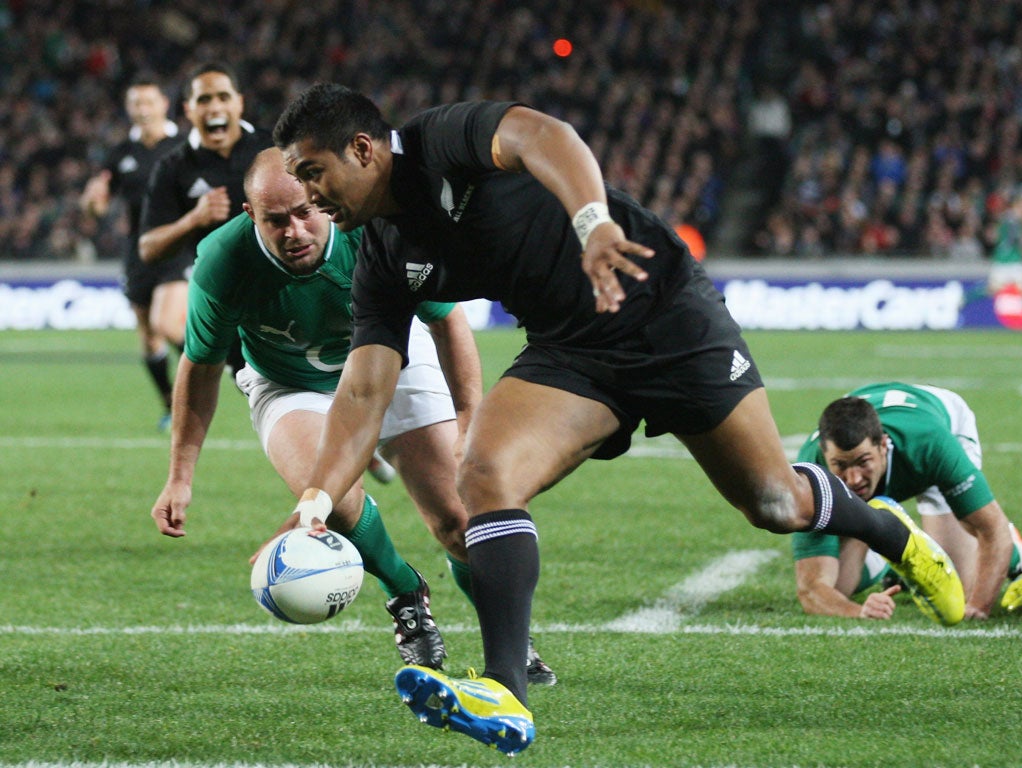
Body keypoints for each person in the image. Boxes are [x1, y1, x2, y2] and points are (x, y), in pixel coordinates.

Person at [268, 84, 964, 755]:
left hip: (662, 308)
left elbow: (546, 136)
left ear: (363, 149)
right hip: (571, 353)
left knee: (773, 501)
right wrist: (317, 501)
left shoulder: (442, 140)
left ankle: (886, 529)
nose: (308, 195)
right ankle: (505, 691)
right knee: (481, 472)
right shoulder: (383, 256)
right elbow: (362, 393)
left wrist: (593, 223)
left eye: (312, 172)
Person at [150, 148, 557, 680]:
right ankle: (404, 591)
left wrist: (467, 419)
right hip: (287, 381)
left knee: (459, 519)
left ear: (319, 200)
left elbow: (446, 320)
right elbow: (199, 369)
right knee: (330, 499)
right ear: (250, 215)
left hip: (393, 356)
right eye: (275, 220)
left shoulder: (371, 230)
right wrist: (180, 476)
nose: (294, 231)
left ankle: (506, 634)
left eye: (303, 212)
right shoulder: (221, 264)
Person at [792, 383, 1022, 620]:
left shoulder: (931, 444)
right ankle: (890, 561)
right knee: (838, 587)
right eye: (840, 465)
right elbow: (811, 590)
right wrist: (860, 611)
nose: (853, 479)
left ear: (883, 445)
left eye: (863, 462)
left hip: (934, 435)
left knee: (956, 589)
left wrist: (978, 607)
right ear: (824, 454)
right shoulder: (812, 471)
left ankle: (1016, 551)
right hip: (897, 431)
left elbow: (992, 528)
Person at [138, 61, 273, 376]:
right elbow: (148, 248)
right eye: (203, 100)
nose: (215, 107)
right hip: (224, 297)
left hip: (282, 284)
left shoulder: (273, 149)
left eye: (223, 97)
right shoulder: (173, 168)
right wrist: (193, 219)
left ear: (239, 102)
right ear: (188, 109)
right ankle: (224, 362)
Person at [79, 77, 182, 431]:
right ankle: (171, 403)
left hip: (179, 245)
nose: (142, 110)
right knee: (147, 333)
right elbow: (97, 206)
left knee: (166, 323)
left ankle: (203, 378)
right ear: (129, 109)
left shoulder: (184, 145)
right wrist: (93, 201)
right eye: (135, 103)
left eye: (148, 102)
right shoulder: (121, 153)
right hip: (139, 250)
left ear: (163, 105)